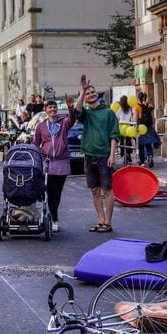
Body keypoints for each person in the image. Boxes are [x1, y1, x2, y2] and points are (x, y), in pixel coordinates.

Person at [74, 74, 120, 233]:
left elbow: (114, 135)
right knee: (94, 190)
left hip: (104, 156)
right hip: (88, 156)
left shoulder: (108, 113)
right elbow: (77, 109)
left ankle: (108, 221)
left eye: (92, 92)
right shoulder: (86, 114)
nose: (91, 94)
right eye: (88, 93)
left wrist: (112, 155)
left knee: (107, 190)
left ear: (97, 95)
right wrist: (82, 89)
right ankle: (100, 220)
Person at [32, 99, 76, 233]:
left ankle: (52, 215)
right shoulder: (41, 126)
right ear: (46, 110)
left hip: (62, 161)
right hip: (48, 163)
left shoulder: (63, 123)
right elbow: (36, 143)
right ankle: (54, 220)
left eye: (54, 107)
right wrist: (37, 156)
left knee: (58, 192)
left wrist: (70, 108)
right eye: (50, 107)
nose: (52, 109)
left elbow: (72, 120)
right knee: (51, 192)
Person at [135, 92, 160, 168]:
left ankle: (142, 161)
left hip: (141, 127)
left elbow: (136, 118)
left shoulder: (136, 107)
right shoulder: (147, 105)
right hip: (149, 127)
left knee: (141, 145)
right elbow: (153, 107)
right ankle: (150, 156)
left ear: (137, 98)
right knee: (148, 144)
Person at [115, 95, 138, 164]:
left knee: (122, 142)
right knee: (129, 142)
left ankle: (125, 155)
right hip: (129, 128)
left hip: (121, 128)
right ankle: (129, 154)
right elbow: (134, 118)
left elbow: (117, 118)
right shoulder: (130, 109)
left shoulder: (119, 110)